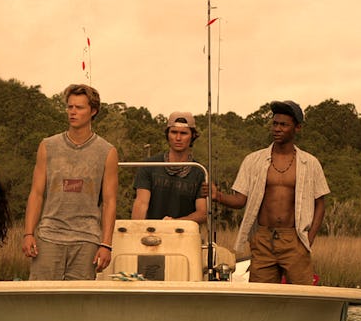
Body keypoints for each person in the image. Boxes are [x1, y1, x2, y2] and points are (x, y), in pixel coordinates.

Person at [206, 100, 329, 284]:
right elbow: (240, 200)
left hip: (294, 238)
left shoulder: (310, 163)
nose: (277, 129)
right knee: (261, 296)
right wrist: (217, 196)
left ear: (297, 128)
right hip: (263, 238)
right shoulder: (253, 160)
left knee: (304, 294)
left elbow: (320, 203)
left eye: (284, 125)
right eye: (275, 123)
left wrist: (308, 239)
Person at [21, 83, 119, 280]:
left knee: (79, 305)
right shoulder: (48, 146)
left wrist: (106, 244)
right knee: (41, 300)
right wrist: (28, 233)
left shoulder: (107, 151)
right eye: (70, 107)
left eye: (79, 107)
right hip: (49, 235)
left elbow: (109, 202)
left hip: (87, 239)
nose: (73, 112)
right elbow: (36, 193)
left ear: (93, 111)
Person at [131, 111, 207, 224]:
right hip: (151, 233)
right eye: (174, 132)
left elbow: (202, 213)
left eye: (183, 133)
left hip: (184, 234)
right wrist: (136, 230)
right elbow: (141, 203)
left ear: (192, 136)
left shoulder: (199, 171)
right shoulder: (149, 166)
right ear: (167, 134)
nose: (178, 138)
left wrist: (174, 223)